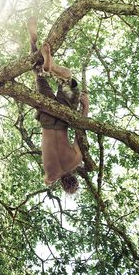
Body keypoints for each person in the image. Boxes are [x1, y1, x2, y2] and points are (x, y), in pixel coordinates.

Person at [27, 17, 89, 194]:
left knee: (69, 79)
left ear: (75, 176)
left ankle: (52, 66)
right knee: (38, 75)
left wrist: (85, 107)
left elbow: (80, 131)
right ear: (62, 183)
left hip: (63, 117)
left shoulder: (76, 161)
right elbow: (47, 182)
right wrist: (52, 180)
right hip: (46, 117)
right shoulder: (50, 175)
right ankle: (33, 43)